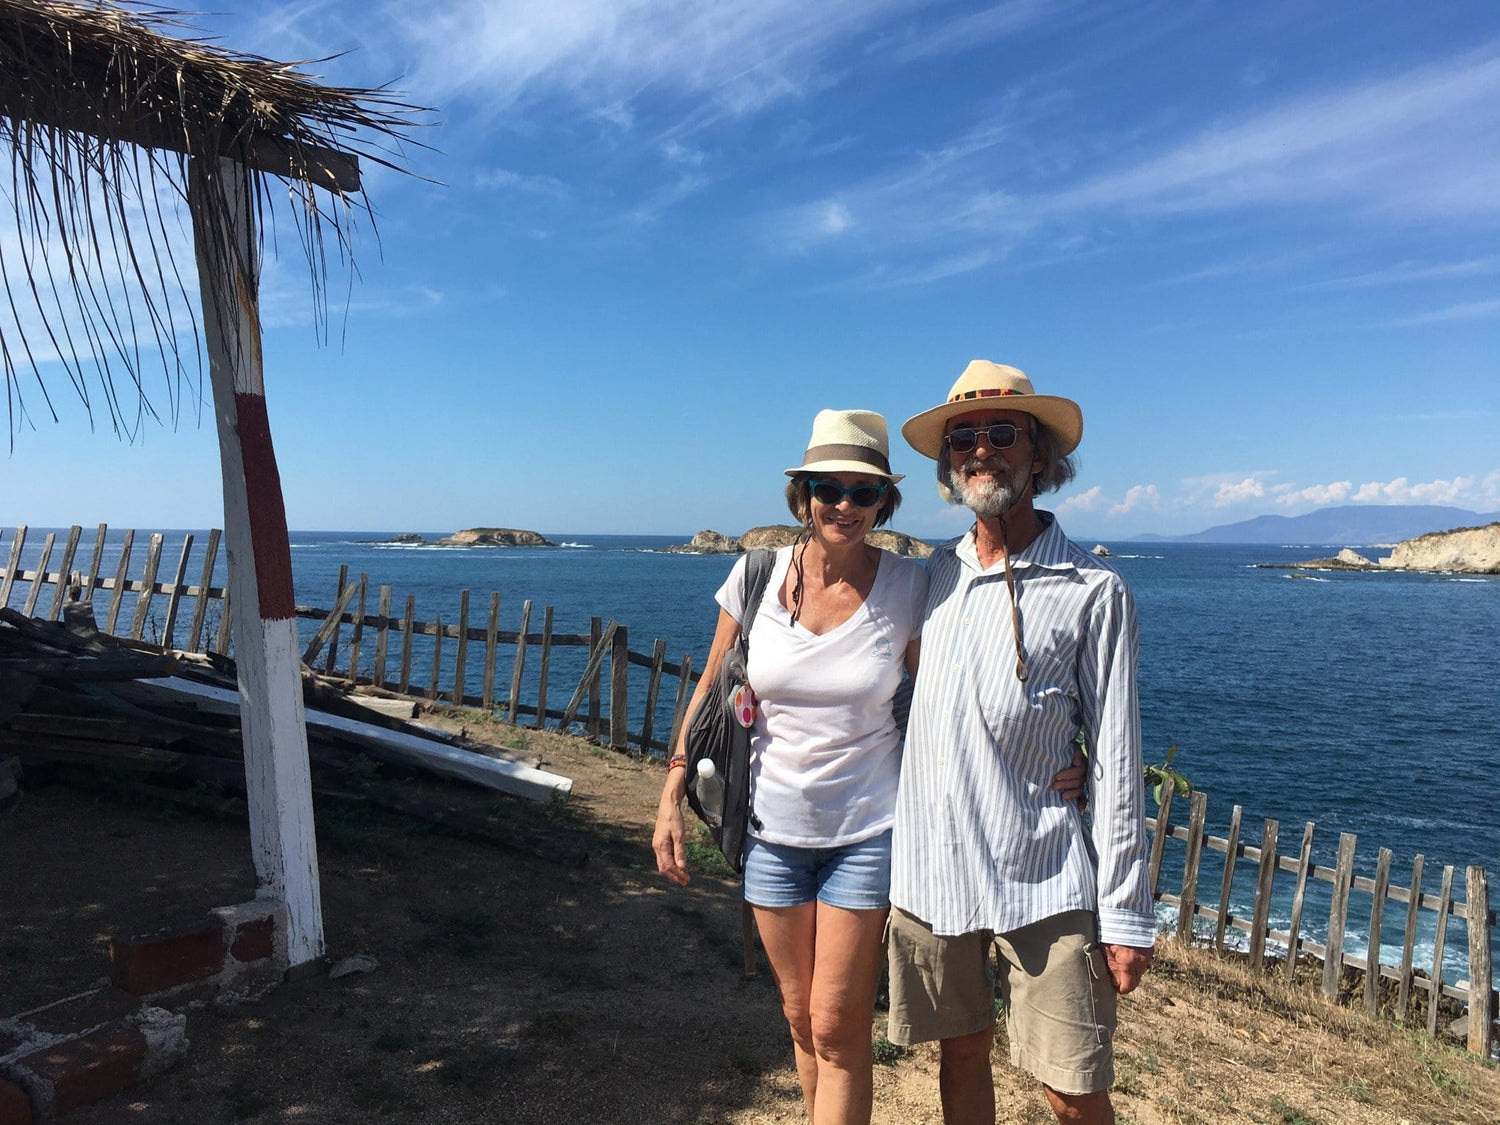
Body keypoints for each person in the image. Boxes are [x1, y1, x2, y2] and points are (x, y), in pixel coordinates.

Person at [653, 408, 1084, 1125]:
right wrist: (672, 789)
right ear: (804, 496)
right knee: (799, 1020)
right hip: (770, 834)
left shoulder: (910, 587)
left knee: (836, 1025)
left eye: (864, 492)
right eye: (830, 488)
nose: (845, 505)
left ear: (886, 502)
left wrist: (1068, 749)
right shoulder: (755, 575)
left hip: (866, 834)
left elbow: (965, 685)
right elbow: (707, 689)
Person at [885, 361, 1154, 1125]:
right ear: (947, 462)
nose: (981, 449)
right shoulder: (927, 578)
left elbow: (1118, 756)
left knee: (1071, 1087)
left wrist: (1128, 914)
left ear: (1039, 456)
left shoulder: (1092, 589)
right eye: (963, 436)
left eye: (1003, 432)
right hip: (935, 872)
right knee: (960, 1054)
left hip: (1045, 876)